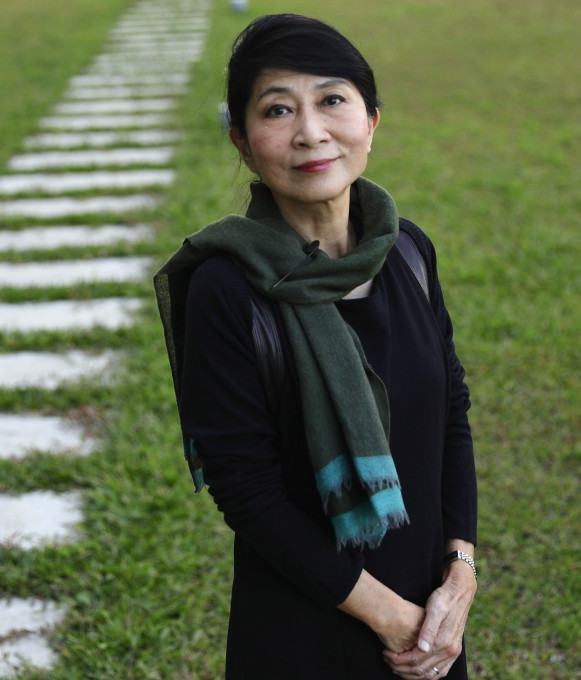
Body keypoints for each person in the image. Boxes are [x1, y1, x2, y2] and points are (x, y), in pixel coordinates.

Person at [155, 14, 478, 679]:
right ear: (243, 143)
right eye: (278, 110)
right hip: (305, 631)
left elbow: (451, 410)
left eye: (333, 100)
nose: (310, 132)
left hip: (431, 620)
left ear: (372, 121)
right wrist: (391, 617)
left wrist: (460, 569)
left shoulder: (409, 253)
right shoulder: (225, 288)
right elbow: (246, 490)